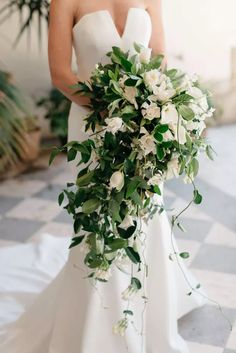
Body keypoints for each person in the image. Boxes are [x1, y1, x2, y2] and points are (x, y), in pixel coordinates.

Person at [0, 1, 205, 352]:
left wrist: (147, 110)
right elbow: (61, 74)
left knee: (144, 216)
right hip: (94, 126)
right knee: (99, 220)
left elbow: (159, 59)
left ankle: (145, 316)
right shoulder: (65, 1)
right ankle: (96, 325)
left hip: (143, 126)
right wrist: (112, 107)